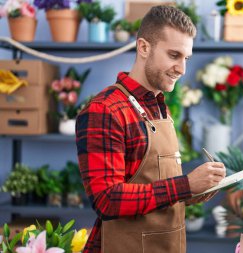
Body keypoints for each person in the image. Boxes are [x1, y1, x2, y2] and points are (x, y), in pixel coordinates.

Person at [76, 5, 226, 253]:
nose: (182, 69)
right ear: (144, 47)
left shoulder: (160, 109)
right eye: (174, 55)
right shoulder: (105, 110)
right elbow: (107, 201)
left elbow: (157, 189)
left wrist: (200, 188)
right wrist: (185, 185)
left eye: (186, 58)